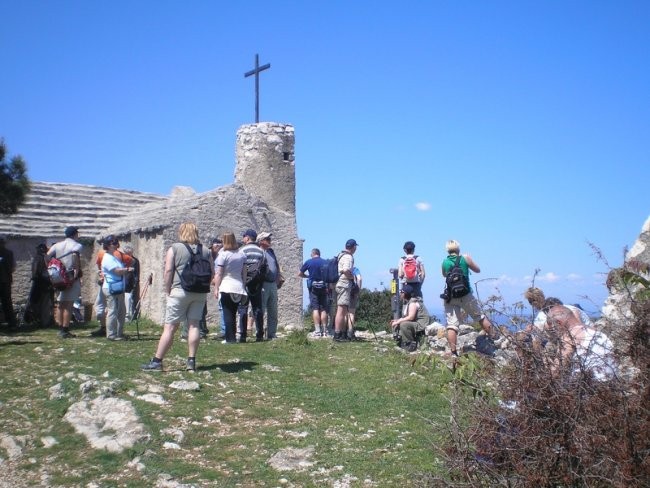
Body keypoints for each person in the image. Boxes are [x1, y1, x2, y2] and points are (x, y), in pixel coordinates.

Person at [141, 222, 214, 372]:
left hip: (180, 290)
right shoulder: (206, 250)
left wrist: (168, 289)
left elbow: (168, 271)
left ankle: (157, 361)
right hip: (199, 292)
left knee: (170, 327)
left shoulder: (175, 248)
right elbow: (212, 272)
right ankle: (191, 361)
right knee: (194, 325)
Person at [441, 239, 497, 357]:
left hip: (451, 296)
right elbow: (477, 270)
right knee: (479, 317)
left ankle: (453, 353)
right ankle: (495, 340)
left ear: (447, 249)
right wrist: (469, 260)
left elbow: (444, 275)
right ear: (458, 248)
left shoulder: (445, 262)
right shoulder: (464, 258)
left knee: (452, 325)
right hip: (466, 294)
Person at [545, 305, 617, 381]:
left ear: (558, 323)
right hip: (613, 383)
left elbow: (555, 371)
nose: (555, 332)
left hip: (591, 387)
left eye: (553, 328)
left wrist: (546, 360)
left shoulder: (569, 337)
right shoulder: (595, 331)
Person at [90, 239, 134, 337]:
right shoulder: (107, 257)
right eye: (113, 243)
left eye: (116, 243)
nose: (116, 245)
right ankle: (111, 334)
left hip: (118, 287)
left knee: (121, 311)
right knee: (112, 311)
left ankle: (119, 333)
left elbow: (131, 261)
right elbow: (116, 271)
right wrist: (127, 269)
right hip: (111, 287)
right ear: (108, 245)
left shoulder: (114, 256)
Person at [47, 226, 82, 338]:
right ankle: (65, 329)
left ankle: (60, 327)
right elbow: (76, 259)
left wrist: (53, 268)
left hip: (58, 276)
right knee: (69, 304)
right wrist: (76, 275)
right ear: (75, 234)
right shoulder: (77, 246)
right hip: (70, 276)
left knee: (60, 303)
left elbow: (47, 257)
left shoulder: (57, 245)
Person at [212, 232, 247, 344]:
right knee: (234, 312)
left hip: (227, 285)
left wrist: (216, 288)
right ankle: (233, 336)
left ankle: (230, 338)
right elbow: (244, 272)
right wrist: (244, 284)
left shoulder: (223, 255)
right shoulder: (242, 254)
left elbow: (219, 274)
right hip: (239, 286)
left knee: (227, 313)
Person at [238, 229, 266, 342]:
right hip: (257, 283)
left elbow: (239, 266)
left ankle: (243, 335)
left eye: (244, 236)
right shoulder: (261, 251)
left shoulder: (242, 250)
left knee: (243, 308)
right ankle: (259, 334)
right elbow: (264, 267)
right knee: (258, 308)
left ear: (248, 238)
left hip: (244, 282)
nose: (243, 238)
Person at [390, 284, 430, 352]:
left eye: (401, 292)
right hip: (415, 322)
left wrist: (399, 321)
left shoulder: (413, 303)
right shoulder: (407, 302)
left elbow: (411, 317)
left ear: (405, 293)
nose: (400, 294)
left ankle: (410, 343)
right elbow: (406, 317)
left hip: (421, 324)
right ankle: (400, 340)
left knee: (404, 324)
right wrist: (397, 320)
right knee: (397, 322)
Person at [258, 232, 282, 340]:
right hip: (263, 283)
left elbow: (276, 265)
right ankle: (260, 333)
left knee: (273, 310)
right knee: (261, 310)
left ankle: (272, 334)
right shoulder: (259, 252)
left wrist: (278, 277)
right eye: (267, 239)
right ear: (261, 241)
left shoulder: (271, 252)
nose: (269, 241)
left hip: (272, 284)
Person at [299, 248, 328, 337]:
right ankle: (325, 331)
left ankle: (317, 331)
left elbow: (300, 274)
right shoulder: (325, 262)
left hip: (313, 288)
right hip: (324, 287)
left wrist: (308, 276)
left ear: (312, 254)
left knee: (315, 308)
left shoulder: (309, 262)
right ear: (319, 254)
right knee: (323, 309)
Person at [334, 239, 358, 342]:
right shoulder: (348, 257)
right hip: (344, 284)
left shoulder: (340, 254)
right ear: (353, 247)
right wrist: (352, 278)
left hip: (339, 283)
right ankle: (337, 334)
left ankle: (339, 333)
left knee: (342, 310)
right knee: (341, 310)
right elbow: (345, 270)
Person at [28, 243, 54, 327]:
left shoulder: (38, 258)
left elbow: (35, 271)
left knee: (38, 303)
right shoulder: (47, 258)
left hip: (39, 283)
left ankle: (39, 320)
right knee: (45, 303)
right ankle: (43, 321)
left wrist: (34, 278)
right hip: (46, 283)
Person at [0, 235, 17, 330]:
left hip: (5, 280)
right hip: (5, 281)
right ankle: (11, 323)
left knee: (7, 302)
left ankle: (11, 323)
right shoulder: (9, 253)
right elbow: (13, 268)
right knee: (7, 302)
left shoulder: (9, 253)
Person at [122, 244, 140, 322]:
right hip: (122, 282)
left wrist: (135, 282)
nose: (129, 255)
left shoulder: (135, 261)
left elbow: (136, 272)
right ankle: (124, 315)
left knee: (130, 299)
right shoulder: (121, 260)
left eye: (130, 253)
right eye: (127, 253)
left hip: (131, 282)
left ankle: (130, 316)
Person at [346, 266, 362, 340]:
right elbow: (359, 278)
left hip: (343, 291)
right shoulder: (355, 269)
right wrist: (358, 289)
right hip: (353, 293)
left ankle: (342, 331)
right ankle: (350, 332)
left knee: (343, 313)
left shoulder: (341, 268)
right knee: (351, 313)